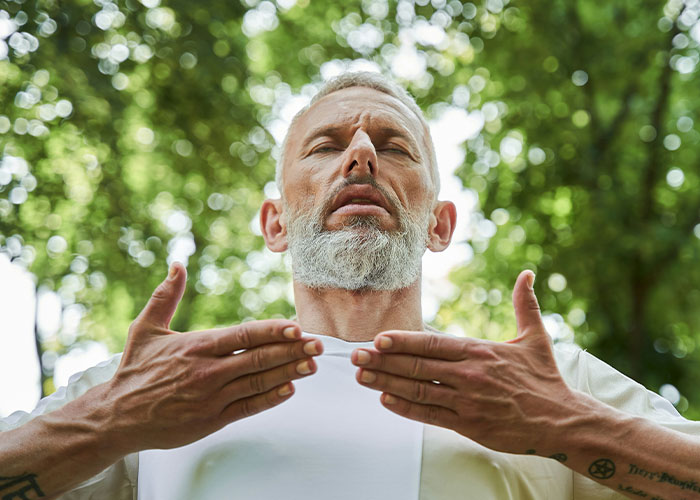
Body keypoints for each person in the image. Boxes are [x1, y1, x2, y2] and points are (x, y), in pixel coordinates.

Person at [2, 72, 700, 500]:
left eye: (393, 147)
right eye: (327, 145)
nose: (361, 153)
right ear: (275, 222)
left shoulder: (545, 381)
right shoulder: (149, 384)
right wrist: (110, 420)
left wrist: (564, 425)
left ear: (439, 224)